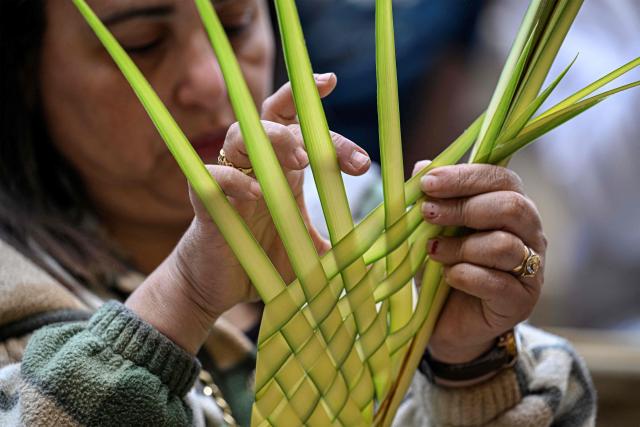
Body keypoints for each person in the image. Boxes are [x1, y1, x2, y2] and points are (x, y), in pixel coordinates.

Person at [0, 1, 594, 426]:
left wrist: (468, 363)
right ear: (24, 69)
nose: (211, 82)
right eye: (142, 45)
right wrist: (181, 297)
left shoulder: (374, 228)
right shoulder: (14, 293)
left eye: (236, 25)